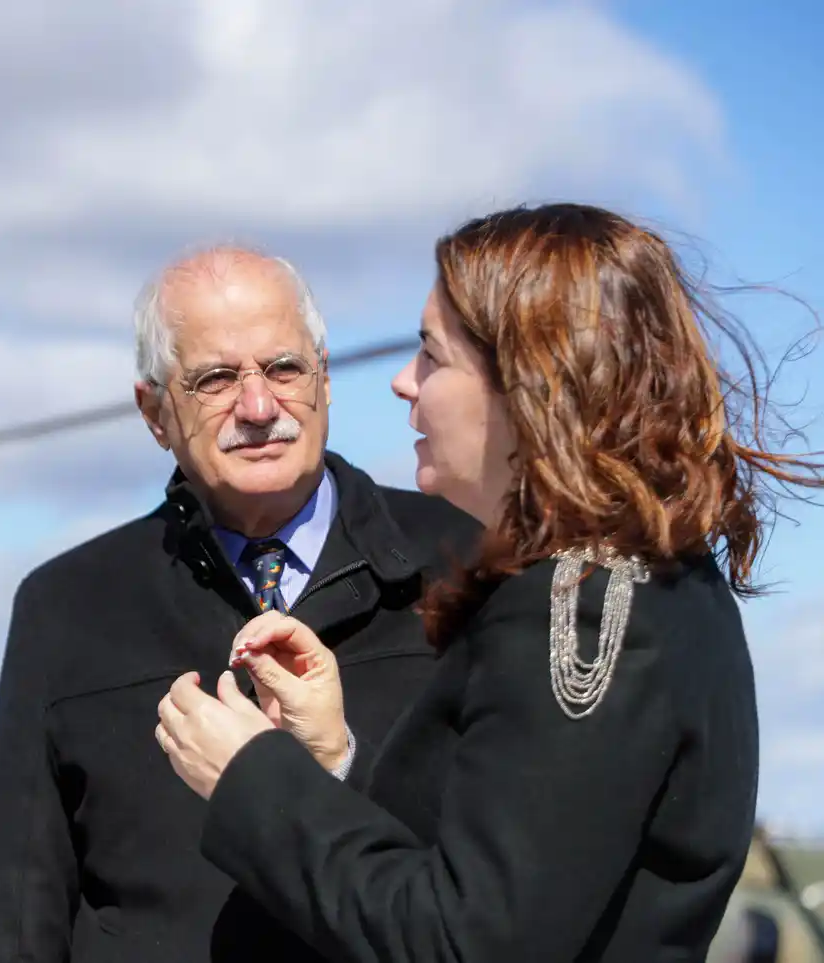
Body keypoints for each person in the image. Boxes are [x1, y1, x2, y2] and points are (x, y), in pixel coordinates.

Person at [155, 202, 824, 961]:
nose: (405, 383)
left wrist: (253, 779)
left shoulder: (585, 605)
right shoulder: (641, 581)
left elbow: (469, 941)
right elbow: (516, 865)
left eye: (433, 356)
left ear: (527, 384)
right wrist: (337, 755)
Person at [0, 245, 481, 962]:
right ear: (154, 413)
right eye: (215, 379)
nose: (259, 406)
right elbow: (16, 913)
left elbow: (506, 878)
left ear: (326, 379)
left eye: (284, 368)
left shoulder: (469, 566)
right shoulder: (67, 606)